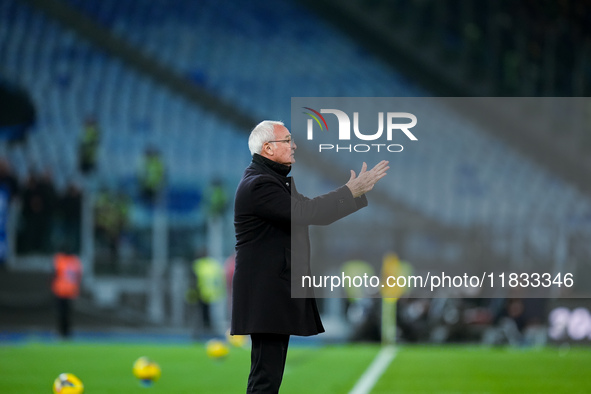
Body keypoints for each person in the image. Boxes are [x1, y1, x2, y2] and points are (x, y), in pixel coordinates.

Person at [231, 120, 388, 393]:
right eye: (287, 140)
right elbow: (307, 214)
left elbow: (311, 210)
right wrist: (350, 192)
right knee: (265, 377)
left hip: (272, 293)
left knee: (268, 375)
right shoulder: (260, 185)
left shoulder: (271, 181)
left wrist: (352, 194)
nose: (294, 145)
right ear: (268, 148)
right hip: (266, 294)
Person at [51, 250, 83, 339]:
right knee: (66, 313)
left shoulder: (60, 260)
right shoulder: (75, 261)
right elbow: (78, 276)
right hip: (69, 291)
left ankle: (63, 332)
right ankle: (66, 332)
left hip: (62, 290)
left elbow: (55, 273)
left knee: (63, 313)